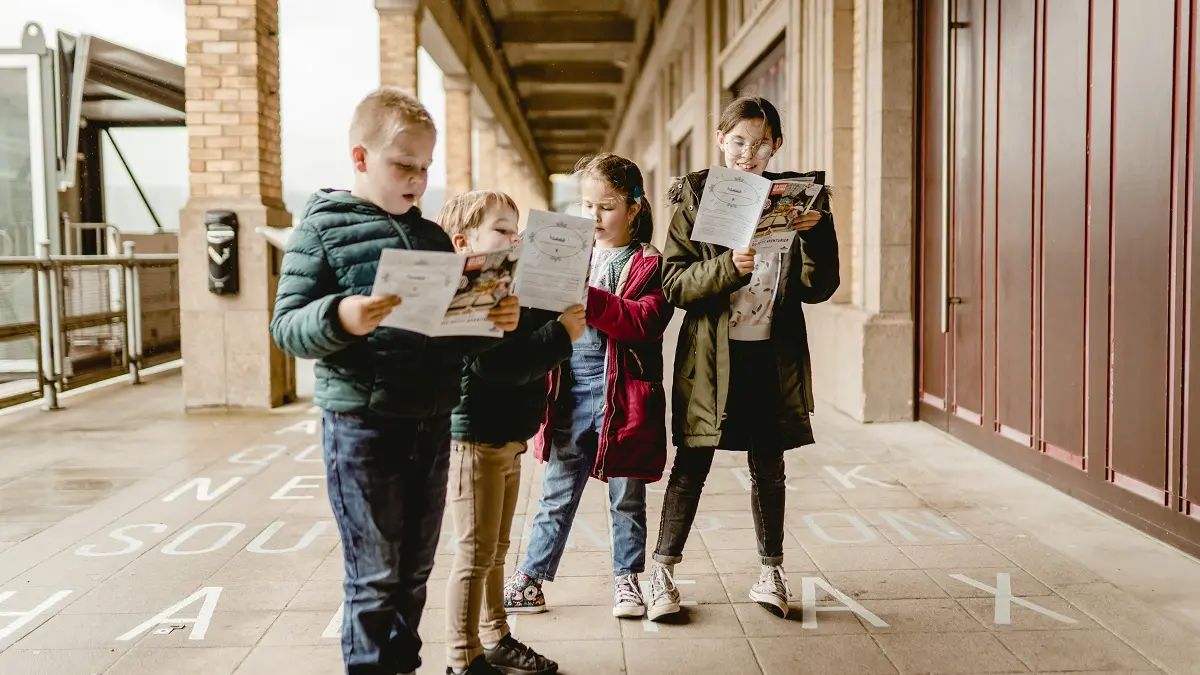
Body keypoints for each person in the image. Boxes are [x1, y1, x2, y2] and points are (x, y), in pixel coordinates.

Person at [269, 87, 521, 675]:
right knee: (375, 576)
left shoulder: (433, 236)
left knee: (414, 572)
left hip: (430, 423)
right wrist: (340, 316)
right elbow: (285, 327)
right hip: (362, 425)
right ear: (360, 158)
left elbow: (451, 334)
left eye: (425, 167)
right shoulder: (320, 230)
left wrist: (493, 322)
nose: (417, 179)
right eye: (403, 165)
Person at [646, 96, 840, 620]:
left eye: (759, 144)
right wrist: (729, 268)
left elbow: (818, 288)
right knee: (692, 463)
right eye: (737, 142)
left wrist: (817, 231)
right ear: (720, 140)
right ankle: (661, 573)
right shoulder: (695, 196)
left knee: (769, 467)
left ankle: (771, 571)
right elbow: (674, 283)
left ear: (776, 145)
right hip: (711, 357)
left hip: (771, 356)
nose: (747, 154)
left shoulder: (796, 199)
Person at [503, 153, 674, 619]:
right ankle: (530, 580)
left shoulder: (649, 263)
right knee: (556, 492)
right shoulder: (571, 252)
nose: (594, 217)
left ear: (635, 207)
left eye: (607, 206)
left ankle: (627, 581)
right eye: (586, 206)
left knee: (627, 494)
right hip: (570, 390)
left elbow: (644, 321)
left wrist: (585, 294)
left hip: (626, 395)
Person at [438, 190, 586, 675]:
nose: (515, 236)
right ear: (464, 242)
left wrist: (562, 306)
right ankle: (462, 659)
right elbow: (497, 365)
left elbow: (525, 337)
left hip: (507, 436)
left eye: (516, 227)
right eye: (502, 229)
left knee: (496, 549)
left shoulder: (507, 285)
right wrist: (561, 332)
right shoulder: (469, 290)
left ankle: (496, 637)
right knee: (473, 553)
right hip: (475, 438)